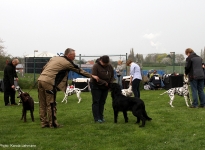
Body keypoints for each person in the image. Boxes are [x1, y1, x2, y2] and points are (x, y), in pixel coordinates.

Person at [38, 48, 99, 128]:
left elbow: (44, 68)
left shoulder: (54, 58)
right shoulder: (67, 62)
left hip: (40, 80)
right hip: (49, 82)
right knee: (51, 104)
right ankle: (53, 124)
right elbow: (79, 70)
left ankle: (43, 123)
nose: (74, 57)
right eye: (74, 56)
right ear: (69, 55)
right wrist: (92, 76)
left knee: (42, 103)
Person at [90, 55, 114, 123]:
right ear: (100, 60)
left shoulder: (109, 66)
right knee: (96, 102)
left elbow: (112, 76)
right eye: (104, 63)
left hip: (105, 86)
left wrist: (110, 83)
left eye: (106, 63)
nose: (105, 64)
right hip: (96, 86)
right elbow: (95, 77)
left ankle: (101, 116)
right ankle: (97, 118)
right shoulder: (95, 66)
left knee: (102, 102)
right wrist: (104, 82)